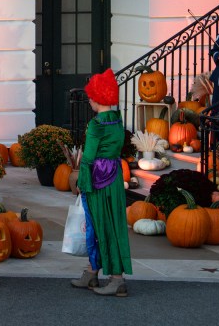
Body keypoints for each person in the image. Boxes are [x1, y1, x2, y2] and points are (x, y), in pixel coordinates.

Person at [71, 68, 133, 296]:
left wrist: (81, 183)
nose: (88, 101)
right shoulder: (117, 121)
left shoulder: (96, 124)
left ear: (97, 97)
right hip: (114, 177)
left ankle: (116, 279)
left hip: (97, 181)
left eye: (90, 97)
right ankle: (92, 272)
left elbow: (87, 158)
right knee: (112, 225)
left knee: (99, 227)